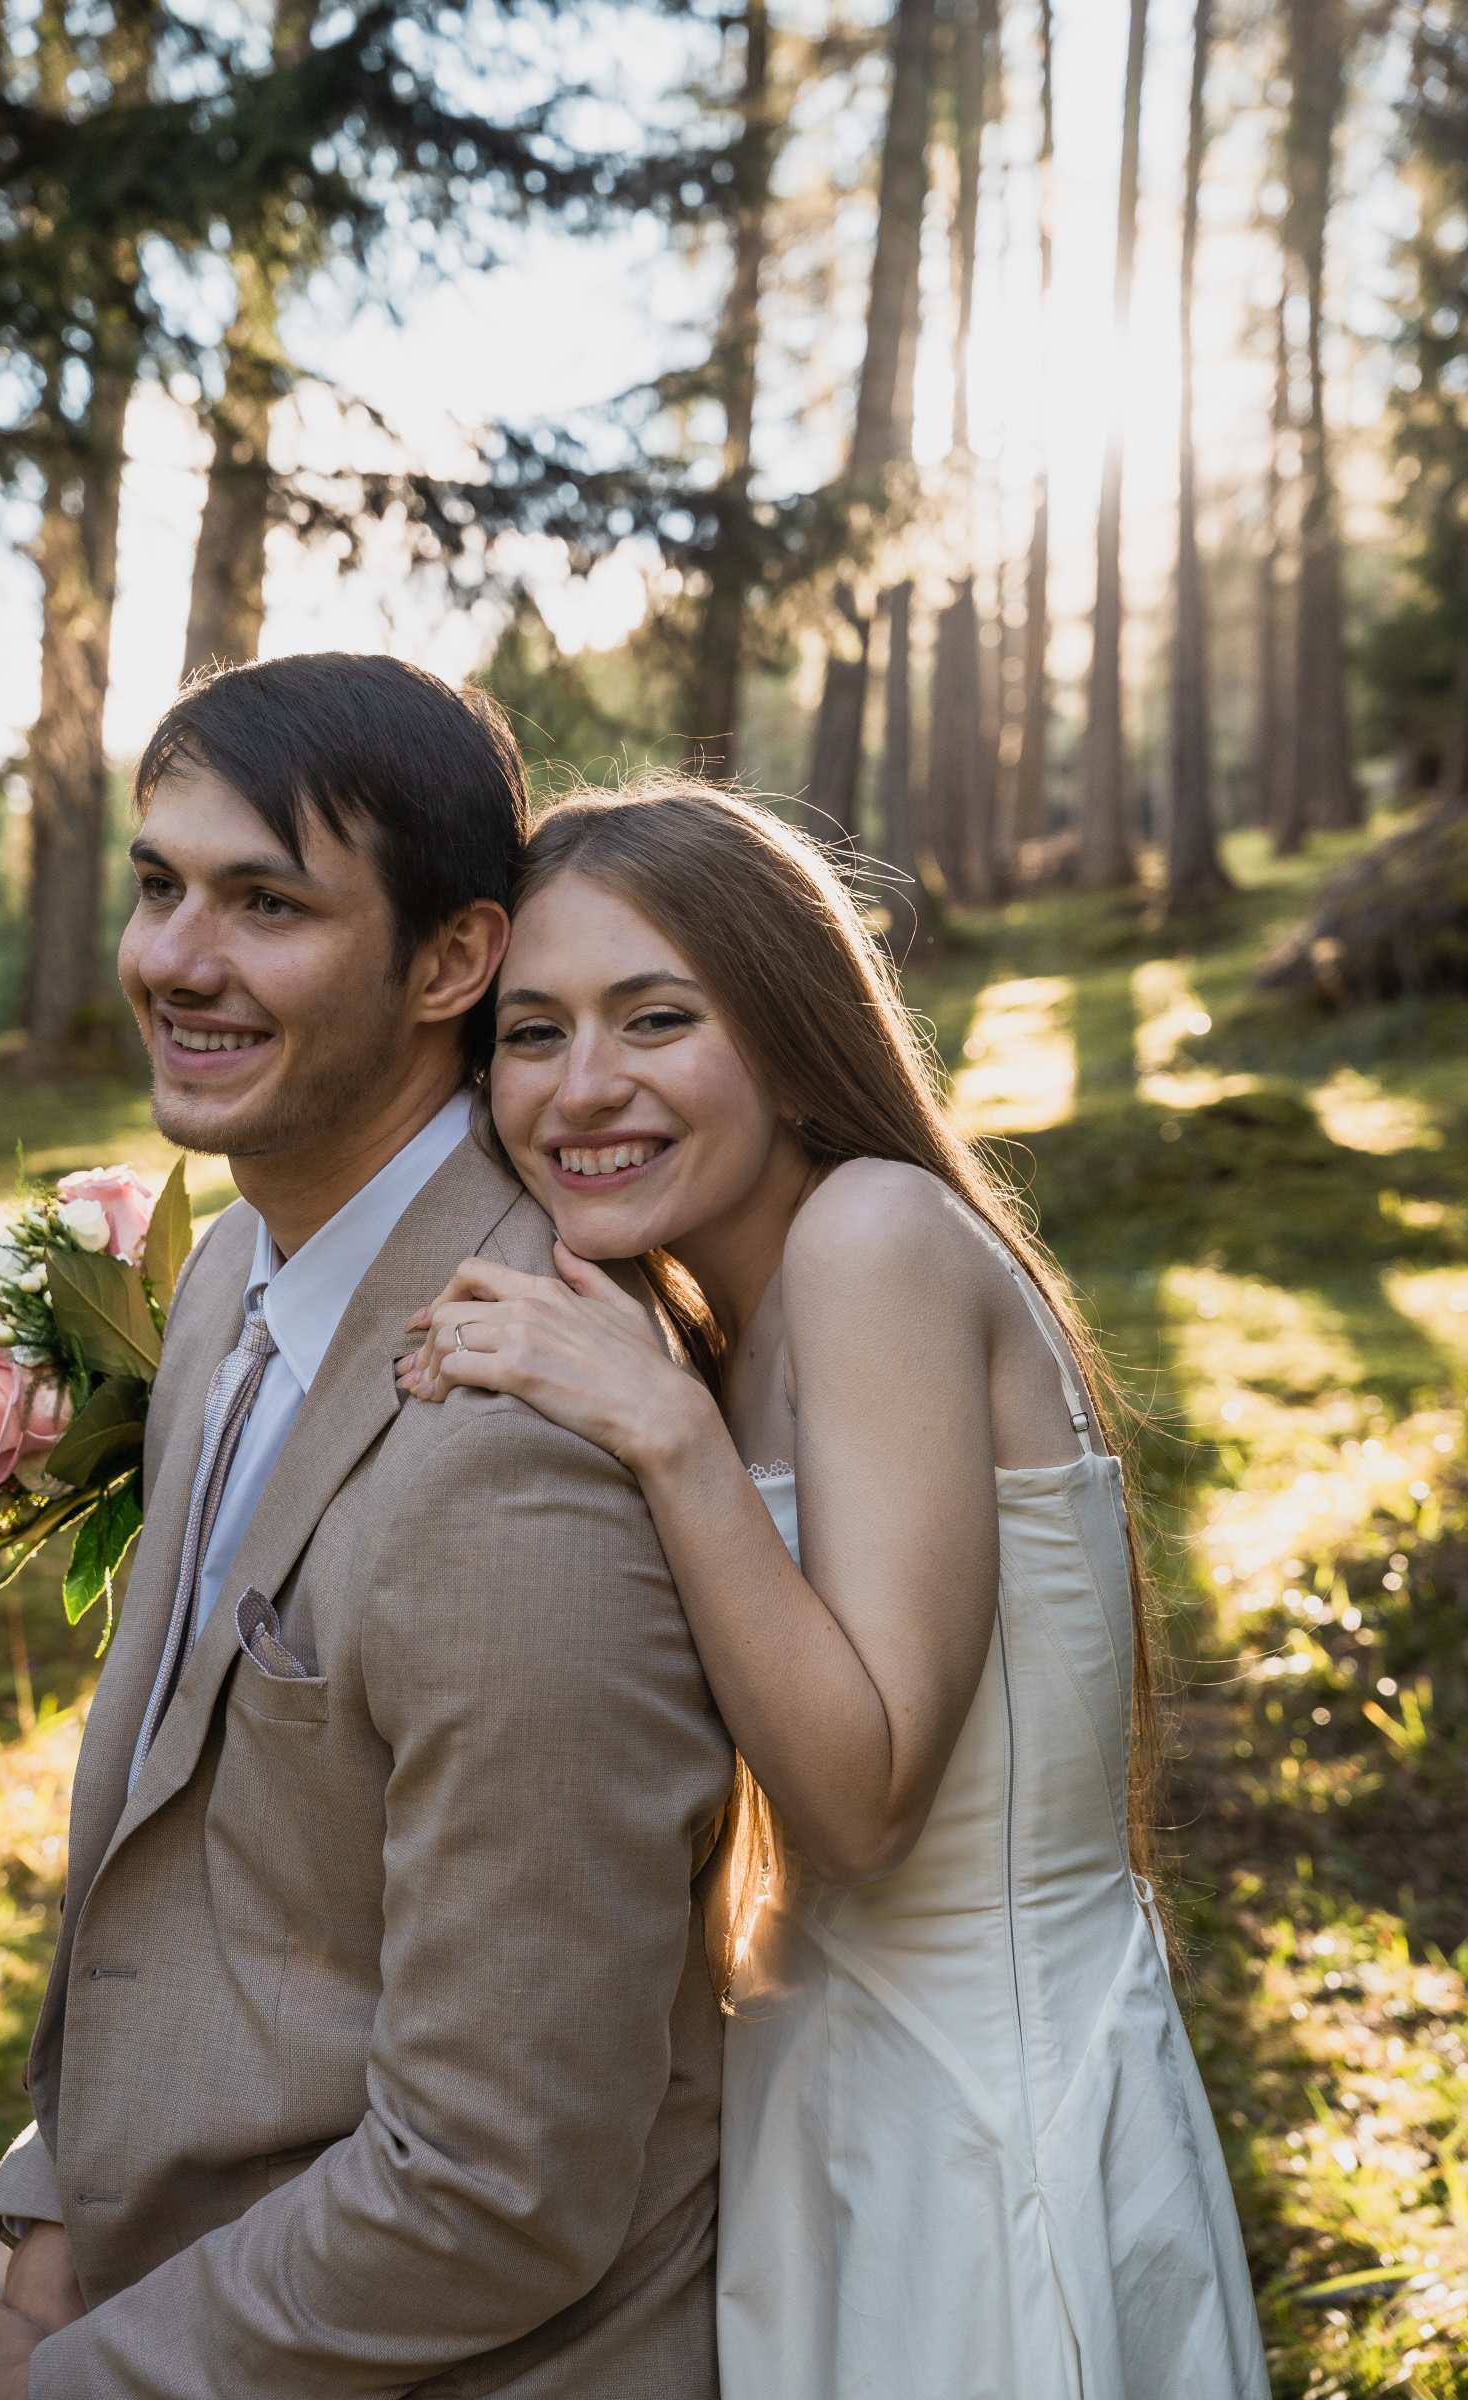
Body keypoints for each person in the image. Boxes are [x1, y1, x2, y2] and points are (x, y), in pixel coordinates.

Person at [0, 662, 731, 2399]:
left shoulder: (519, 1453)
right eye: (160, 885)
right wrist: (46, 2238)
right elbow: (204, 1872)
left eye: (267, 905)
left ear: (453, 960)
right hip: (148, 2256)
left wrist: (66, 2382)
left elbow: (499, 2187)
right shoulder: (221, 1280)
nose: (177, 959)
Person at [404, 773, 1273, 2400]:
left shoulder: (872, 1237)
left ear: (795, 1034)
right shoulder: (730, 1328)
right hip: (819, 2077)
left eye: (656, 1019)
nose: (584, 1087)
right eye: (533, 1034)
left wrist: (667, 1437)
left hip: (972, 2120)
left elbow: (865, 1807)